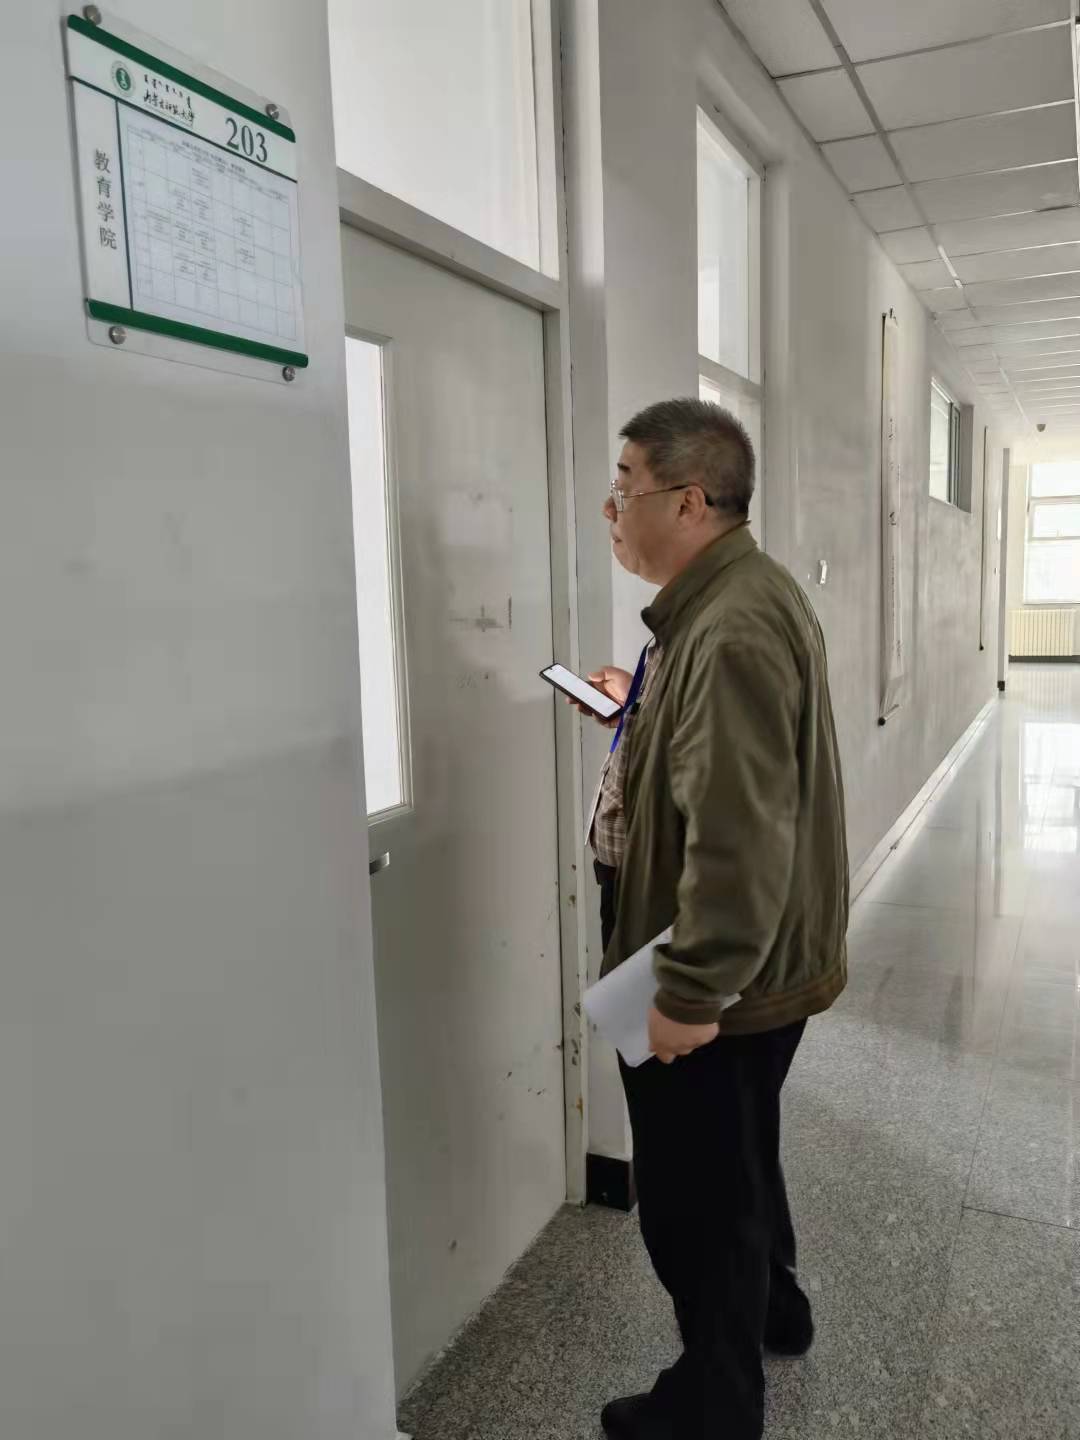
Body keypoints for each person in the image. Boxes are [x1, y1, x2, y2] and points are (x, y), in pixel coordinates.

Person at [579, 398, 849, 1440]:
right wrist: (635, 708)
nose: (612, 509)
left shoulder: (727, 627)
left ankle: (714, 1403)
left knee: (693, 1194)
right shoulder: (732, 596)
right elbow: (725, 760)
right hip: (751, 956)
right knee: (739, 1154)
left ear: (688, 502)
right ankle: (774, 1308)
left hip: (709, 962)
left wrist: (690, 993)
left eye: (625, 486)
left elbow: (737, 835)